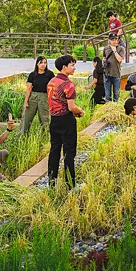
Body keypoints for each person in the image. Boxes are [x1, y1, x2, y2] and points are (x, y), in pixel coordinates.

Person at [47, 54, 85, 187]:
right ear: (64, 67)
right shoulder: (68, 84)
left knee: (54, 150)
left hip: (54, 119)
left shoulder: (51, 81)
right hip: (66, 120)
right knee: (69, 152)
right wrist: (80, 111)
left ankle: (51, 182)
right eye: (72, 65)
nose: (74, 68)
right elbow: (71, 107)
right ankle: (70, 184)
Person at [20, 56, 54, 136]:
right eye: (41, 63)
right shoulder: (32, 75)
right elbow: (28, 89)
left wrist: (52, 100)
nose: (43, 65)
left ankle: (46, 136)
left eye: (45, 63)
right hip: (33, 97)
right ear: (37, 64)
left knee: (44, 118)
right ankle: (22, 136)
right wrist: (26, 102)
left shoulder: (50, 74)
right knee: (27, 117)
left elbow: (53, 88)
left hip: (44, 97)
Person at [102, 34, 125, 102]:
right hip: (107, 74)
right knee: (107, 94)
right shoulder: (106, 48)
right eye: (112, 39)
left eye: (116, 39)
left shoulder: (121, 49)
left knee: (116, 93)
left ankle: (115, 107)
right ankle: (108, 107)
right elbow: (104, 57)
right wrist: (104, 62)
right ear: (109, 40)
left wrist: (114, 51)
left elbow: (120, 60)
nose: (114, 41)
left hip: (116, 74)